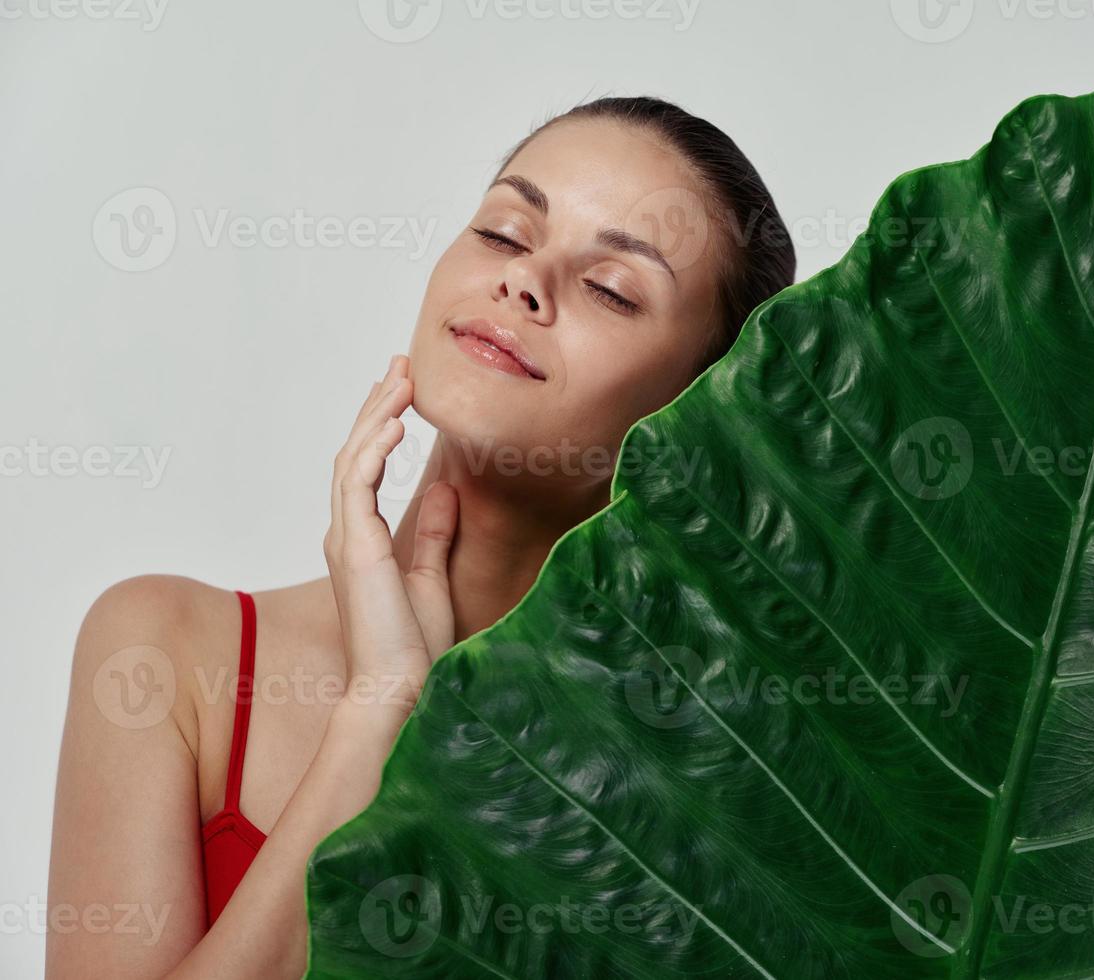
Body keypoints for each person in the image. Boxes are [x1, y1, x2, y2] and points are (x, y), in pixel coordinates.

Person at [45, 95, 795, 978]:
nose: (522, 283)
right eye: (506, 233)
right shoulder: (166, 654)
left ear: (693, 412)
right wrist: (378, 709)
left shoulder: (703, 784)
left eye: (609, 289)